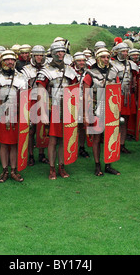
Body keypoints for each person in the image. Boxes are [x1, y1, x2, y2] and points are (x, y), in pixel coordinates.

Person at [0, 50, 28, 183]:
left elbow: (25, 98)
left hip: (16, 113)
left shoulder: (21, 77)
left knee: (14, 143)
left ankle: (13, 170)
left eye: (12, 60)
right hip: (0, 113)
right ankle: (4, 170)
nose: (10, 62)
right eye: (7, 60)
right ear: (2, 62)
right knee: (2, 143)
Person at [36, 41, 78, 180]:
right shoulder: (45, 70)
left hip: (67, 109)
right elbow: (41, 92)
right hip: (52, 109)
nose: (60, 54)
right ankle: (52, 168)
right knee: (53, 140)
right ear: (52, 53)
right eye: (58, 51)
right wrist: (43, 113)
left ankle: (61, 166)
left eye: (62, 51)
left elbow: (76, 90)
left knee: (63, 140)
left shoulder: (70, 70)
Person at [83, 47, 122, 176]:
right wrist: (87, 113)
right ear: (98, 58)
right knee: (96, 138)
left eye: (107, 57)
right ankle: (97, 165)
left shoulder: (113, 72)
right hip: (96, 109)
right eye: (103, 57)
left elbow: (117, 90)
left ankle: (108, 164)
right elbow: (86, 94)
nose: (106, 60)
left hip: (111, 110)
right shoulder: (90, 73)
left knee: (110, 136)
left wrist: (117, 109)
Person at [20, 45, 50, 166]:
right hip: (31, 100)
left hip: (44, 100)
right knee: (31, 130)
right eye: (37, 55)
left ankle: (42, 154)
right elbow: (23, 86)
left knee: (43, 129)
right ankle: (31, 155)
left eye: (41, 55)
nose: (39, 57)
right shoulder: (26, 69)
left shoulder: (48, 69)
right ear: (33, 55)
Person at [111, 42, 138, 154]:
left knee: (125, 121)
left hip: (128, 95)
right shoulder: (111, 64)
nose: (125, 53)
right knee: (115, 120)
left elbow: (135, 81)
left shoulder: (132, 64)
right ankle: (113, 143)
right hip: (116, 95)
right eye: (123, 51)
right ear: (117, 52)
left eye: (126, 51)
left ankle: (122, 144)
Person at [72, 51, 90, 158]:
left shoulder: (89, 73)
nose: (82, 62)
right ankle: (70, 147)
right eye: (79, 60)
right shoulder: (69, 72)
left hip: (84, 101)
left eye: (83, 60)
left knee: (82, 126)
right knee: (71, 126)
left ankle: (81, 147)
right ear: (74, 61)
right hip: (72, 102)